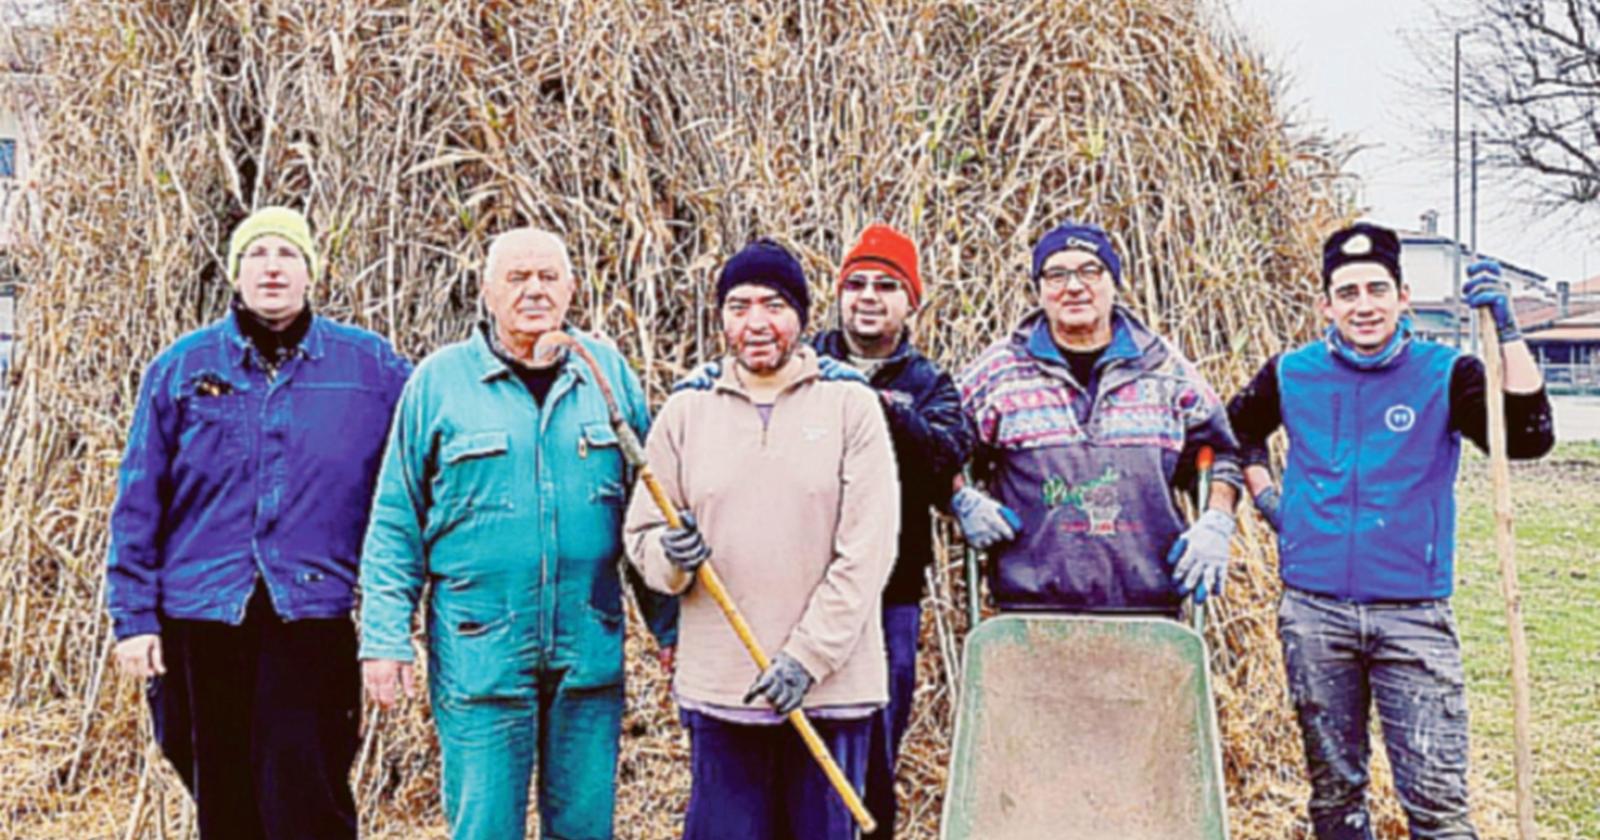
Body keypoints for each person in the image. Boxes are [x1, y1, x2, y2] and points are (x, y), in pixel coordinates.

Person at [1227, 223, 1555, 840]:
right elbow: (1235, 429)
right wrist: (1271, 499)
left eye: (1377, 289)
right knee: (1335, 796)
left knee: (1437, 804)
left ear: (1403, 296)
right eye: (1347, 293)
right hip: (1314, 611)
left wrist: (1509, 333)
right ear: (1327, 305)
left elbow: (1529, 438)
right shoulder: (1293, 372)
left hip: (1413, 614)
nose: (1364, 305)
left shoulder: (1446, 373)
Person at [358, 228, 677, 840]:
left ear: (572, 289)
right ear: (485, 291)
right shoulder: (439, 384)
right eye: (517, 278)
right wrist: (385, 637)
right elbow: (396, 522)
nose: (535, 291)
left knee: (585, 826)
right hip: (480, 652)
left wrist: (670, 628)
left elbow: (645, 515)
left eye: (548, 277)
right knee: (484, 827)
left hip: (588, 649)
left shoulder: (604, 373)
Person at [107, 206, 411, 840]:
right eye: (257, 255)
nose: (272, 267)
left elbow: (419, 475)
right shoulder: (183, 369)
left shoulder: (371, 369)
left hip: (313, 613)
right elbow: (139, 498)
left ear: (310, 272)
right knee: (220, 792)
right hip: (201, 615)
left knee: (308, 791)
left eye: (288, 254)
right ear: (236, 272)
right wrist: (133, 618)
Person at [624, 239, 899, 840]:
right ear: (721, 317)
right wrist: (670, 559)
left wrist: (807, 658)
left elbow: (868, 551)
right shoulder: (686, 411)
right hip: (724, 689)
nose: (756, 324)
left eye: (773, 305)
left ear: (800, 316)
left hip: (830, 691)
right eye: (738, 306)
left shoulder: (851, 405)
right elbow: (643, 535)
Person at [953, 221, 1241, 615]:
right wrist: (959, 496)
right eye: (1057, 274)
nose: (1074, 286)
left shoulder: (1166, 371)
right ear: (1039, 289)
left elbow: (1222, 454)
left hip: (1147, 611)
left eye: (1090, 270)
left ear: (1113, 282)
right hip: (1030, 613)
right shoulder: (998, 373)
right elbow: (942, 447)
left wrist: (1218, 519)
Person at [811, 223, 971, 837]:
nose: (868, 297)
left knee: (877, 742)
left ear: (912, 302)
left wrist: (876, 405)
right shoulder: (801, 362)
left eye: (885, 285)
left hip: (891, 597)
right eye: (856, 284)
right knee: (797, 739)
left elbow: (946, 458)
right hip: (801, 588)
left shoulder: (928, 386)